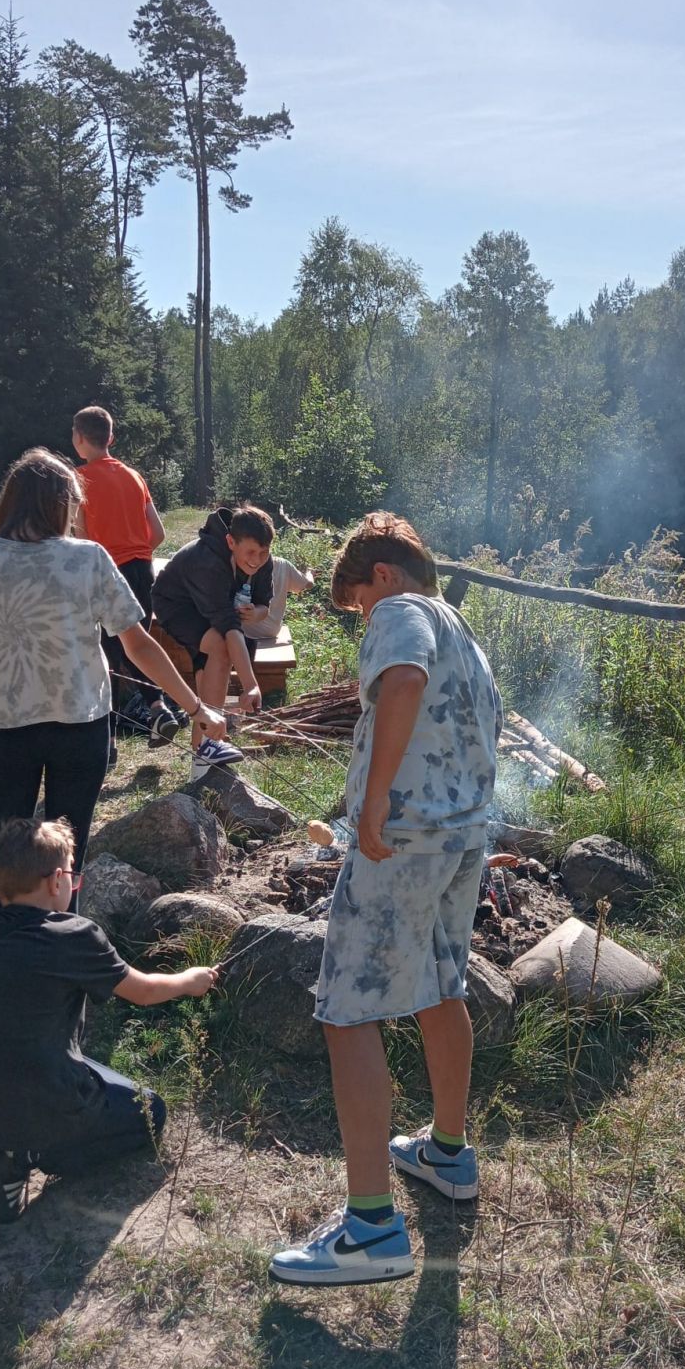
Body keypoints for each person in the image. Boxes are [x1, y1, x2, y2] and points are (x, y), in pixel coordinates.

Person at [269, 513, 502, 1287]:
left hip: (401, 839)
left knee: (347, 1011)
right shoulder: (461, 627)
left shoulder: (400, 612)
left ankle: (370, 1226)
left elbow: (401, 681)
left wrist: (370, 808)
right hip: (462, 836)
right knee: (442, 986)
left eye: (358, 605)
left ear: (380, 576)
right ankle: (446, 1151)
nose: (364, 618)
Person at [0, 447, 229, 914]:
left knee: (3, 853)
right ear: (64, 504)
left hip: (6, 726)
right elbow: (139, 645)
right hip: (80, 725)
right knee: (68, 856)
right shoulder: (87, 559)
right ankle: (62, 951)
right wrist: (195, 707)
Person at [0, 817, 217, 1222]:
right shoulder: (73, 936)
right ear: (55, 882)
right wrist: (190, 980)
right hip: (35, 1096)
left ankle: (11, 1138)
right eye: (72, 874)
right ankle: (23, 1153)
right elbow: (144, 991)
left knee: (62, 1067)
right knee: (151, 1112)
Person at [70, 403, 178, 766]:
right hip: (141, 571)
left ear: (79, 438)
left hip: (104, 572)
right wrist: (136, 552)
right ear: (111, 437)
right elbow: (159, 533)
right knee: (135, 648)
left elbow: (82, 538)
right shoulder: (134, 477)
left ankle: (112, 740)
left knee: (108, 657)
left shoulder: (79, 479)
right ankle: (156, 709)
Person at [151, 504, 271, 781]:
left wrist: (257, 612)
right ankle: (208, 744)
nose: (257, 560)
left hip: (214, 608)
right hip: (177, 605)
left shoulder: (263, 560)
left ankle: (200, 760)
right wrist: (250, 684)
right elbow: (228, 628)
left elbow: (265, 606)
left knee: (211, 668)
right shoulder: (207, 560)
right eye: (251, 553)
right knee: (219, 646)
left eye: (263, 553)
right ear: (231, 542)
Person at [238, 550, 315, 644]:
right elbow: (308, 584)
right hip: (270, 631)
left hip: (243, 630)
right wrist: (310, 574)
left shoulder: (243, 562)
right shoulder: (284, 565)